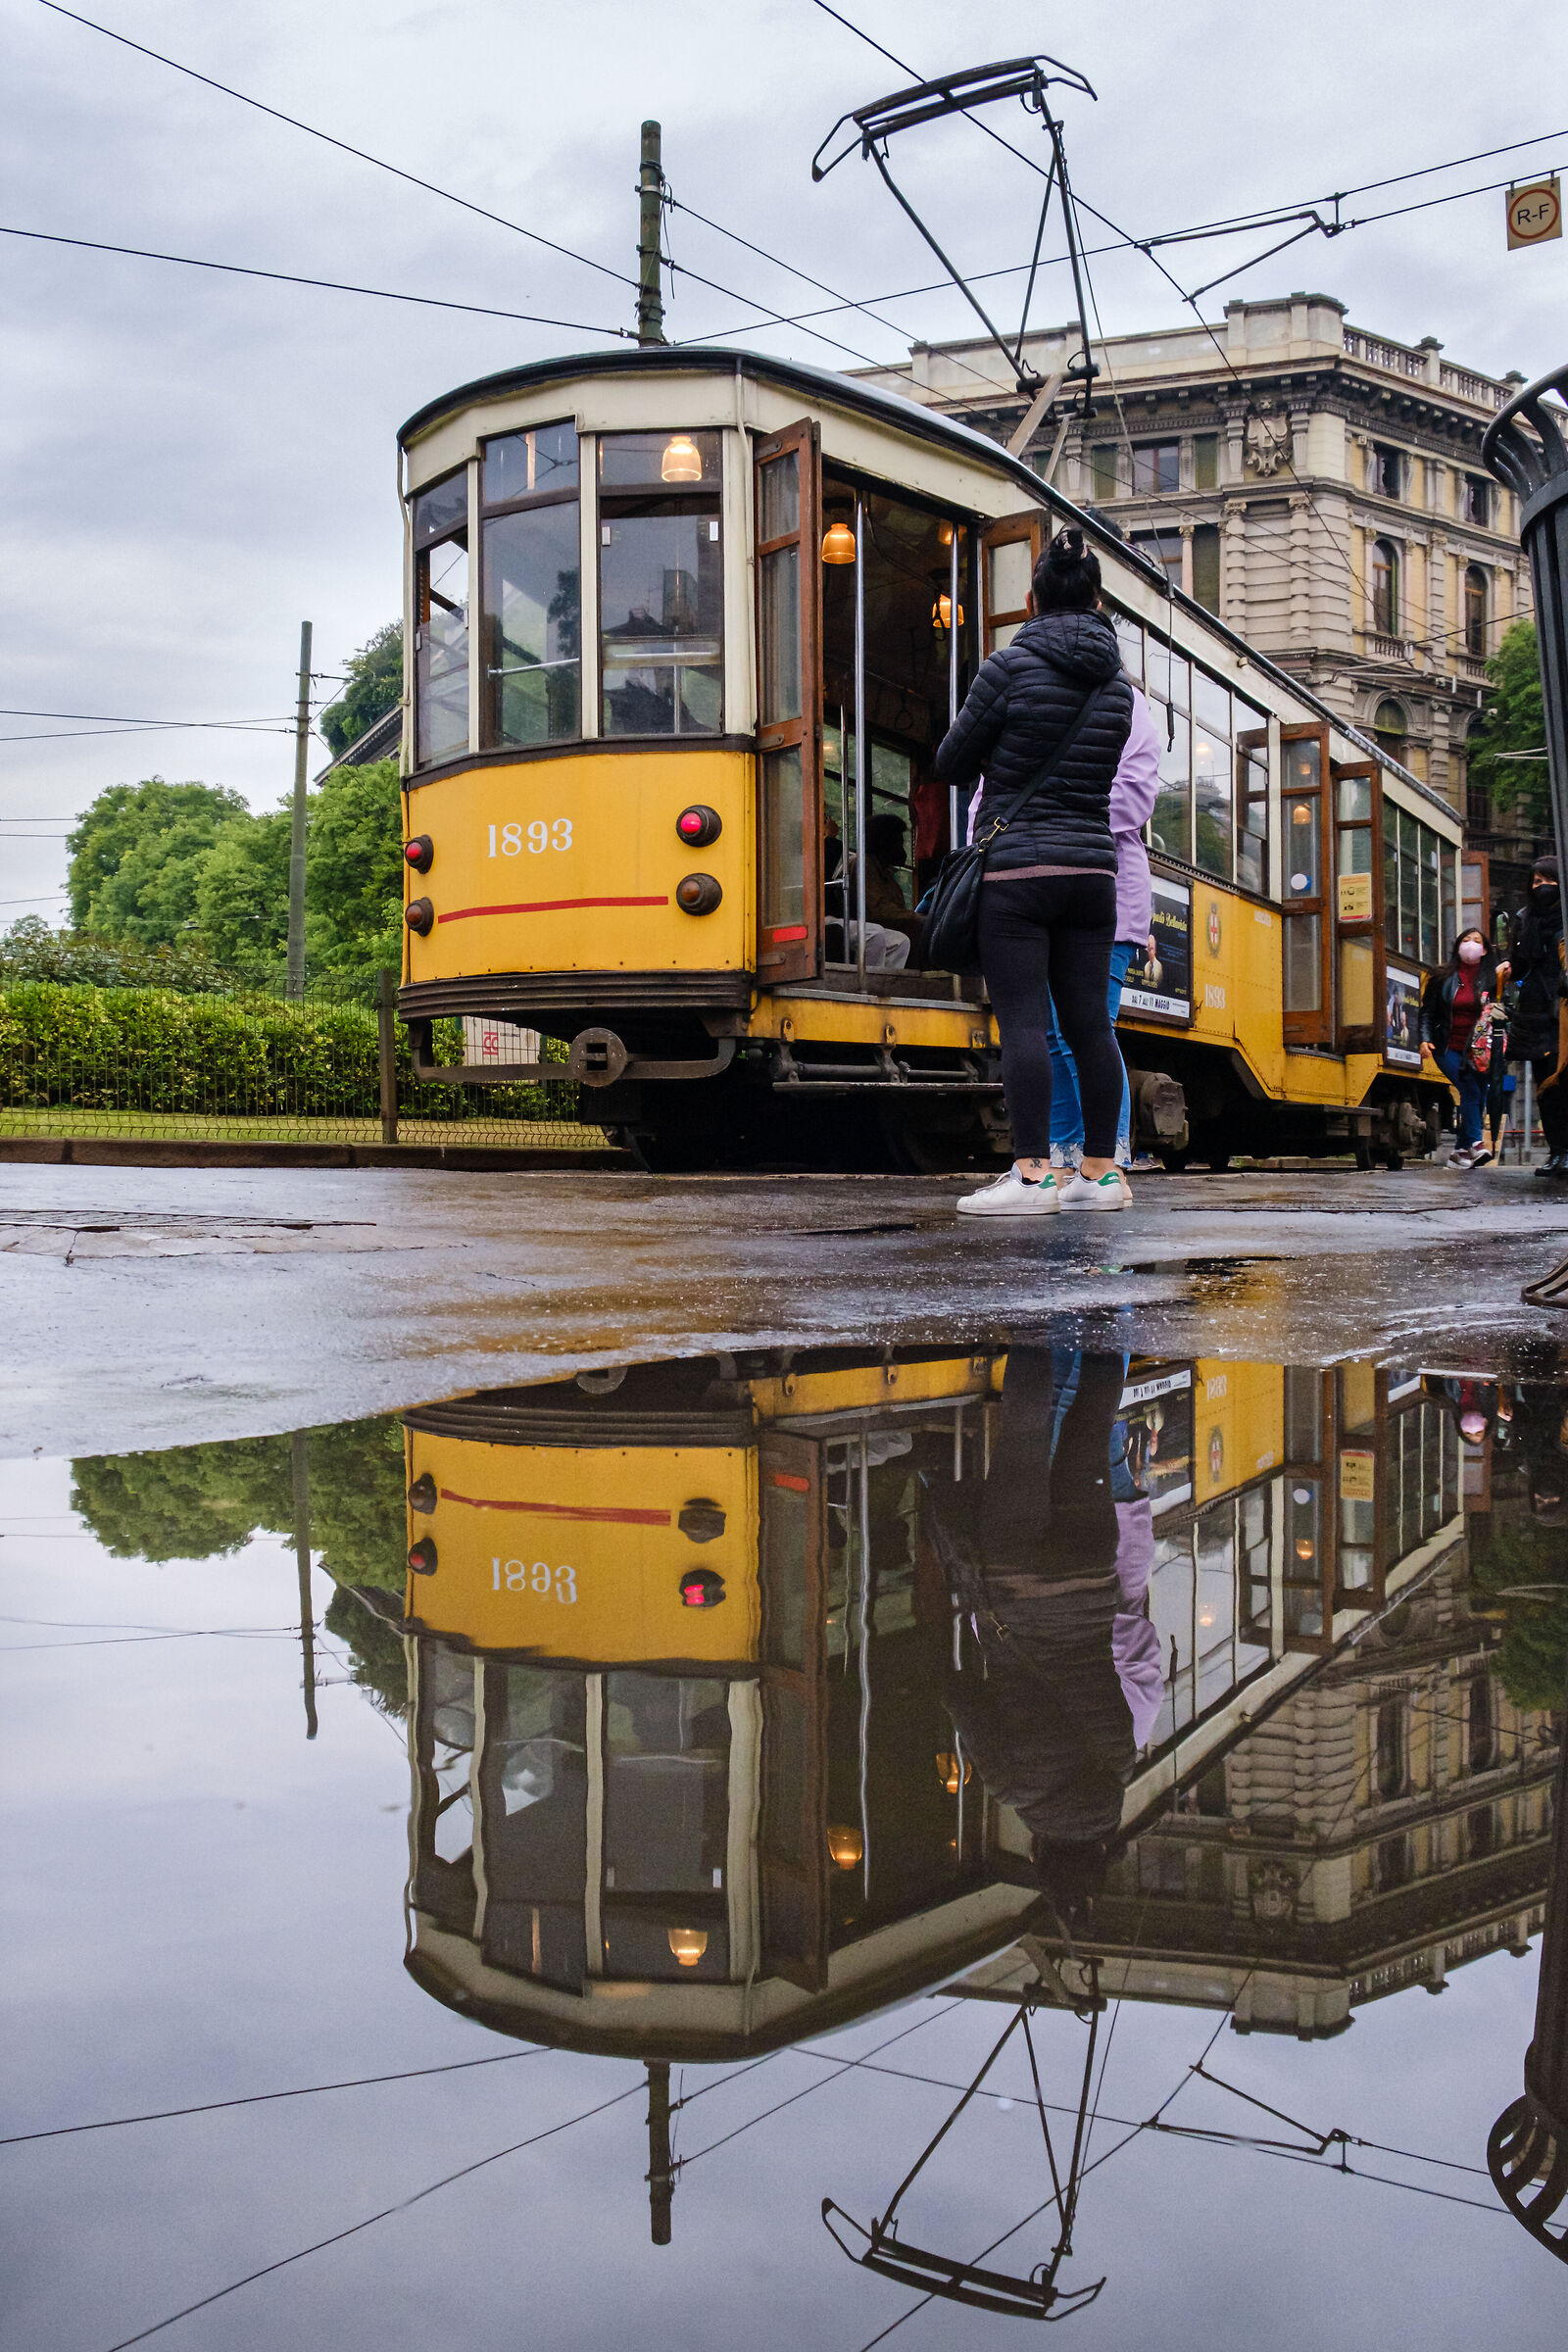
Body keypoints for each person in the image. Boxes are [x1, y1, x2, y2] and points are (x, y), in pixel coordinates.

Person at [935, 527, 1134, 1216]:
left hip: (1018, 871)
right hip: (1093, 873)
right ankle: (1101, 1175)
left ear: (1031, 599)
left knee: (1022, 1022)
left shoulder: (1008, 667)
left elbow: (951, 762)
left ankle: (1032, 1175)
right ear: (1097, 600)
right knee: (1090, 1025)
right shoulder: (1118, 687)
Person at [925, 1347, 1160, 1924]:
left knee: (1088, 1433)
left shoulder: (1120, 1763)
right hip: (1016, 1581)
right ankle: (1034, 1326)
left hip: (1090, 1573)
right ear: (1039, 1853)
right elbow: (962, 1697)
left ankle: (1103, 1326)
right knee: (1024, 1438)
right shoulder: (1015, 1789)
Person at [1045, 687, 1160, 1179]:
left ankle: (1106, 1162)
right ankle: (1064, 1158)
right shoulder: (1031, 691)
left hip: (1108, 894)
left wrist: (1047, 812)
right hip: (1038, 889)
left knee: (1082, 1030)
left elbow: (1134, 797)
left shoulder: (1127, 703)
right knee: (1051, 1035)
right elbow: (989, 795)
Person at [1420, 925, 1506, 1168]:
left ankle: (1460, 1151)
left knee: (1478, 1094)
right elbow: (1427, 1011)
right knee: (1469, 1089)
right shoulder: (1441, 977)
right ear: (1458, 946)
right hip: (1446, 1046)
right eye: (1466, 940)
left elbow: (1502, 1008)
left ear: (1485, 950)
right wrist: (1425, 1038)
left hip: (1479, 1049)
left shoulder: (1493, 978)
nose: (1471, 944)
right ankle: (1476, 1144)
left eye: (1477, 941)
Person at [1508, 855, 1568, 1179]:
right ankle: (1557, 1151)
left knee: (1565, 1078)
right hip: (1535, 1010)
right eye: (1536, 881)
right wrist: (1508, 967)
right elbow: (1519, 966)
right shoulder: (1524, 919)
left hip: (1564, 1007)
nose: (1542, 887)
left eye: (1549, 880)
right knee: (1546, 1085)